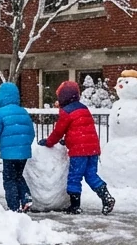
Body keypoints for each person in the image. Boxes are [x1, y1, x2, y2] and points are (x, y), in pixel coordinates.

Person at [41, 81, 115, 215]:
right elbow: (80, 130)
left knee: (74, 177)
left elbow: (58, 131)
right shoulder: (83, 109)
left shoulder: (66, 112)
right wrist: (67, 141)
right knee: (91, 175)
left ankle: (75, 206)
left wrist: (48, 142)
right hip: (92, 149)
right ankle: (106, 197)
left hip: (79, 151)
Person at [0, 81, 35, 212]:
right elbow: (31, 133)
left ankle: (13, 207)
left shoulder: (0, 113)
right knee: (18, 176)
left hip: (9, 154)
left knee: (9, 179)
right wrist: (25, 145)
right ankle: (26, 197)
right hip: (23, 153)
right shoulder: (23, 112)